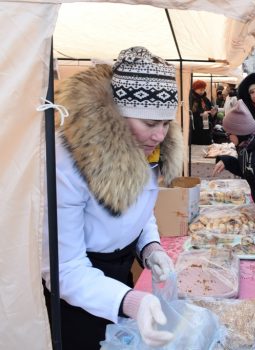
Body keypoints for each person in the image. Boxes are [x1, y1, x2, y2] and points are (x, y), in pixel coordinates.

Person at [41, 46, 184, 350]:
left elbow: (142, 205)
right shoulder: (67, 160)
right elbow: (62, 267)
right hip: (77, 291)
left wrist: (151, 247)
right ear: (117, 115)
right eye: (149, 123)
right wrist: (128, 301)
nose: (160, 135)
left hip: (119, 276)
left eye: (166, 123)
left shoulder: (147, 146)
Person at [189, 79, 217, 145]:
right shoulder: (192, 99)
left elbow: (210, 110)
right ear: (195, 89)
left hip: (206, 127)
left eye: (203, 89)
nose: (202, 91)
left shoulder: (206, 99)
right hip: (196, 129)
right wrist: (201, 114)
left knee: (207, 144)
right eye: (200, 89)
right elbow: (191, 113)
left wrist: (213, 114)